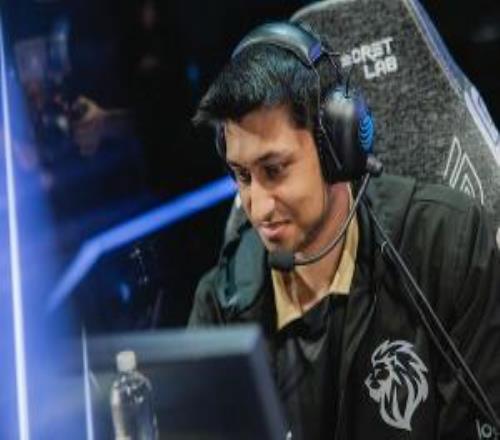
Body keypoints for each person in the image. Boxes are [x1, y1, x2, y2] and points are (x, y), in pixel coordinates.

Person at [188, 21, 500, 440]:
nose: (257, 207)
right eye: (242, 176)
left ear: (338, 146)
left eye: (274, 170)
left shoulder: (446, 246)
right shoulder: (220, 305)